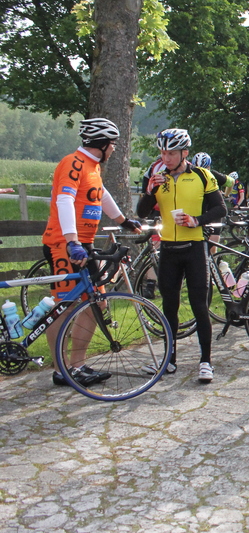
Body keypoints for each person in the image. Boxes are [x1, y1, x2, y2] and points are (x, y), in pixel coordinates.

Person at [42, 118, 142, 387]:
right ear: (102, 143)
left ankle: (78, 365)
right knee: (64, 307)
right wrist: (72, 241)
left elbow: (101, 195)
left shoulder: (92, 166)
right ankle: (61, 370)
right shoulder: (73, 163)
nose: (114, 149)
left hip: (82, 244)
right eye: (113, 144)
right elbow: (64, 199)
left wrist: (123, 220)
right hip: (63, 244)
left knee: (97, 303)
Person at [137, 128, 226, 382]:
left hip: (195, 248)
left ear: (184, 153)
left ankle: (206, 361)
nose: (166, 158)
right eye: (163, 153)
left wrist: (196, 220)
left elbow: (220, 208)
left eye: (172, 153)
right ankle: (169, 360)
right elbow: (142, 212)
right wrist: (150, 191)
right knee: (169, 307)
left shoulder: (202, 175)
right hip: (168, 249)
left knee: (199, 305)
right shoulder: (157, 176)